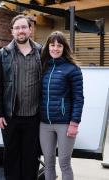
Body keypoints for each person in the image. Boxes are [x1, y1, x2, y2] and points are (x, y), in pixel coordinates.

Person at [0, 14, 42, 180]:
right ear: (12, 31)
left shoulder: (41, 52)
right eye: (17, 28)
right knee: (12, 157)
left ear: (30, 30)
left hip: (34, 116)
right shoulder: (2, 54)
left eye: (24, 27)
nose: (21, 30)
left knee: (31, 157)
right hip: (10, 116)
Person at [40, 31, 84, 180]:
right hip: (44, 124)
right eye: (52, 45)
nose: (55, 48)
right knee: (49, 162)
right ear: (48, 47)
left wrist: (74, 123)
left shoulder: (72, 69)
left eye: (59, 45)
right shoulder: (43, 67)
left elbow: (78, 98)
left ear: (64, 48)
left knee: (64, 163)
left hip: (65, 124)